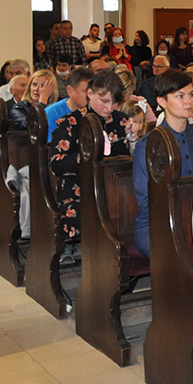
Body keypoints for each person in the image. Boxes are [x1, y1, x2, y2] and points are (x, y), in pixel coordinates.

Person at [50, 69, 130, 262]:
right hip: (79, 185)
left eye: (114, 102)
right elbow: (56, 163)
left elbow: (129, 159)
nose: (109, 108)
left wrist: (133, 140)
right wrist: (87, 157)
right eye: (104, 101)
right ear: (90, 93)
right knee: (86, 211)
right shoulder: (71, 122)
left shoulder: (120, 120)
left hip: (113, 185)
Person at [133, 70, 193, 256]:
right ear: (162, 101)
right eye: (180, 96)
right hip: (158, 222)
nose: (188, 101)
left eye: (191, 95)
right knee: (176, 250)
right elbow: (145, 199)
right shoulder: (148, 144)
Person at [6, 69, 57, 239]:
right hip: (26, 161)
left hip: (51, 158)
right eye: (34, 84)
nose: (37, 89)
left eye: (43, 86)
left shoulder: (57, 108)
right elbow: (33, 127)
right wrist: (42, 101)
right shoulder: (19, 107)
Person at [45, 66, 93, 141]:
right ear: (70, 91)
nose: (90, 96)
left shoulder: (96, 110)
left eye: (93, 91)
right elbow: (50, 145)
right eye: (86, 91)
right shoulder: (51, 113)